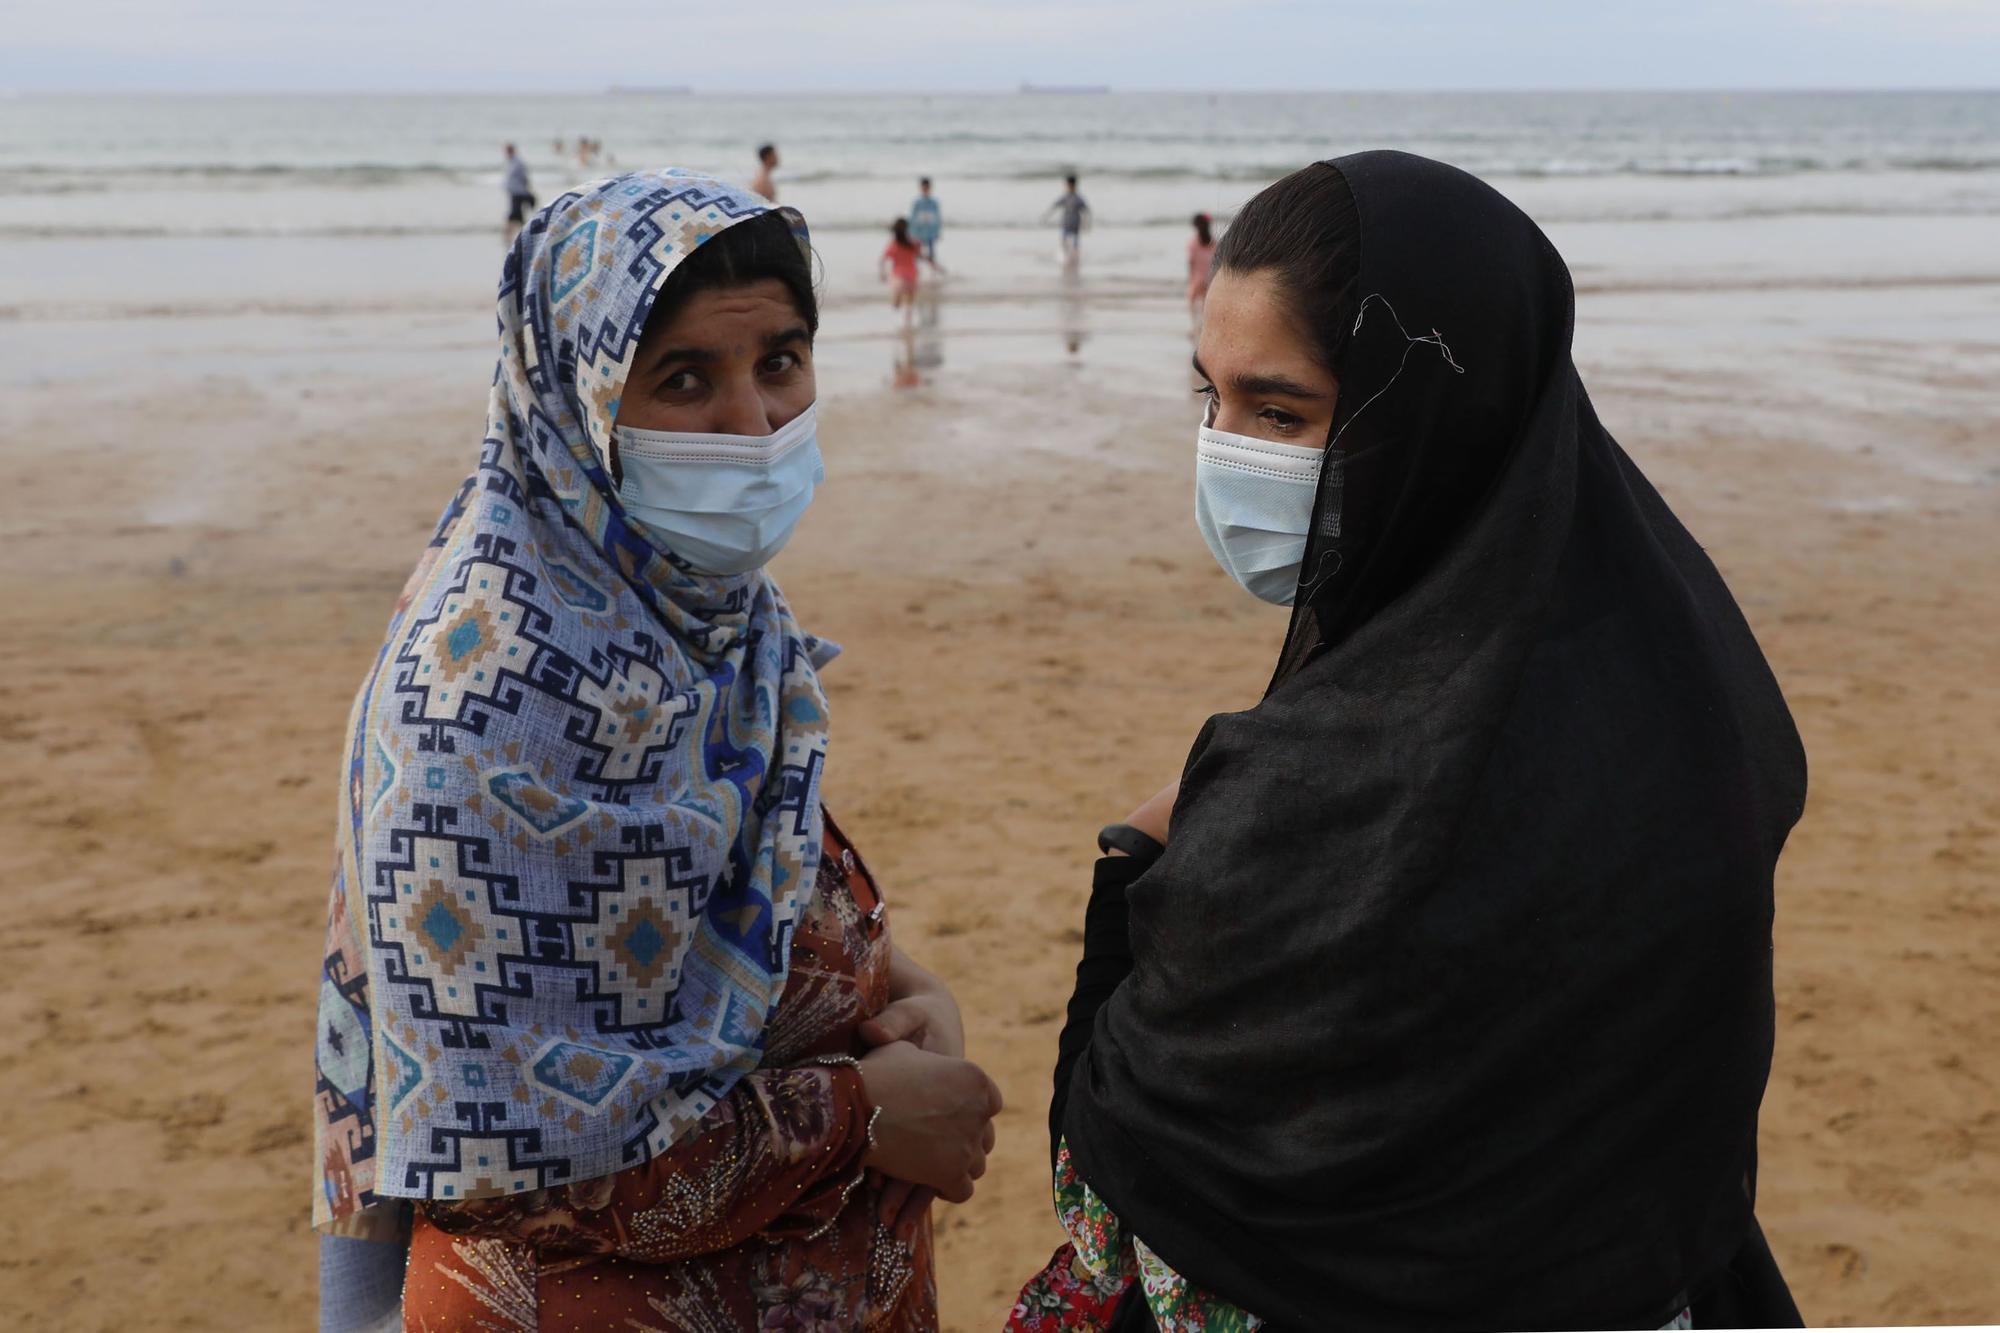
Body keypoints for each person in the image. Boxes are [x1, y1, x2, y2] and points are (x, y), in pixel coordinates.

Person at [1010, 153, 1808, 1330]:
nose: (1225, 451)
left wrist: (1128, 866)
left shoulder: (1306, 800)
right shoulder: (1693, 700)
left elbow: (1120, 1155)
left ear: (1438, 415)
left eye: (1278, 410)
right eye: (1209, 399)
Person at [312, 171, 1002, 1333]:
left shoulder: (704, 620)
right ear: (576, 396)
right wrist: (864, 1118)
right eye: (686, 379)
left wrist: (894, 986)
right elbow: (514, 1163)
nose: (756, 423)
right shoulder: (487, 698)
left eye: (780, 362)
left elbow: (731, 906)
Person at [880, 217, 936, 325]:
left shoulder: (893, 244)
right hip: (912, 275)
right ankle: (907, 321)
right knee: (909, 301)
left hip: (898, 276)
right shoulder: (913, 243)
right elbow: (921, 256)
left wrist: (882, 274)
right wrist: (932, 264)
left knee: (897, 299)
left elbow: (883, 259)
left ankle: (897, 300)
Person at [1044, 173, 1089, 261]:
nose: (1068, 187)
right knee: (1064, 241)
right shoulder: (1065, 197)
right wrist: (1047, 215)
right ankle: (1065, 257)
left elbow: (1085, 211)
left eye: (1069, 185)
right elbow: (1055, 206)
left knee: (1075, 242)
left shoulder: (1078, 198)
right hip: (1066, 222)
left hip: (1075, 223)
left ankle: (1075, 257)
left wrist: (1086, 223)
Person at [1186, 211, 1217, 324]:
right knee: (1205, 304)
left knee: (1192, 301)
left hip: (1198, 277)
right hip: (1209, 277)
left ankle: (1194, 324)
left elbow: (1191, 262)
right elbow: (1216, 261)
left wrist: (1190, 278)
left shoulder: (1193, 243)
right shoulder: (1213, 242)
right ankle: (1204, 325)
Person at [501, 143, 534, 241]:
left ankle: (509, 236)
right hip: (514, 192)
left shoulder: (518, 162)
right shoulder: (510, 162)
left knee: (514, 214)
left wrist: (526, 189)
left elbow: (524, 177)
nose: (507, 152)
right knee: (517, 215)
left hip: (519, 192)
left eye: (509, 150)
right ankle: (522, 235)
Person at [909, 176, 943, 264]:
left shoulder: (934, 202)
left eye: (927, 187)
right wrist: (911, 231)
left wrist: (938, 231)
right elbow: (912, 217)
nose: (925, 189)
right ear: (921, 188)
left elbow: (937, 217)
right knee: (917, 252)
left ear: (930, 188)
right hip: (919, 231)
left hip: (931, 231)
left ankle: (933, 270)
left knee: (931, 253)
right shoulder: (917, 202)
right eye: (924, 187)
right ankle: (916, 269)